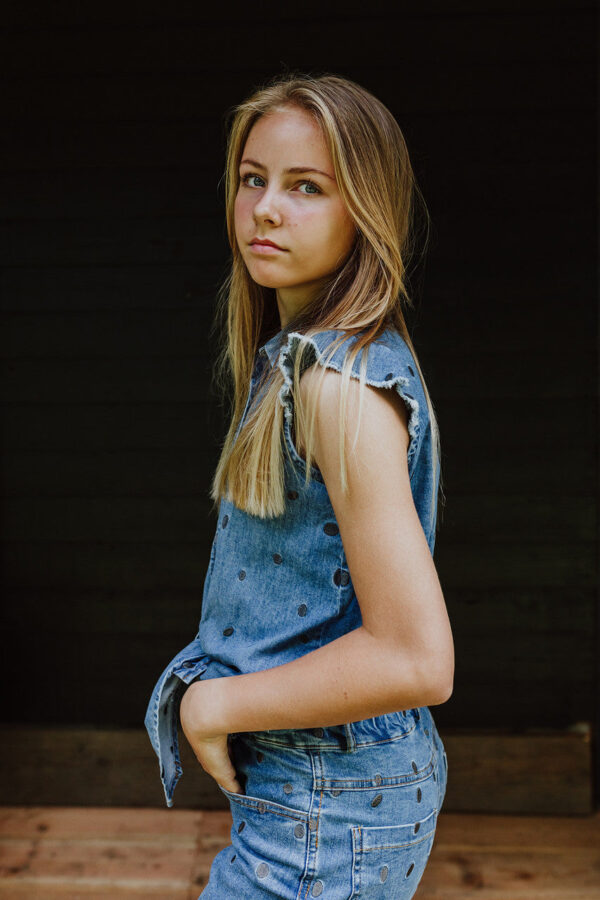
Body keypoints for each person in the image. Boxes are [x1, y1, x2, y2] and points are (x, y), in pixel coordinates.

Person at [145, 71, 454, 899]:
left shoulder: (334, 385)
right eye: (253, 179)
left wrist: (214, 707)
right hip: (318, 791)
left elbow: (418, 657)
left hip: (327, 800)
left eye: (306, 187)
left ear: (366, 210)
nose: (266, 209)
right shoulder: (306, 359)